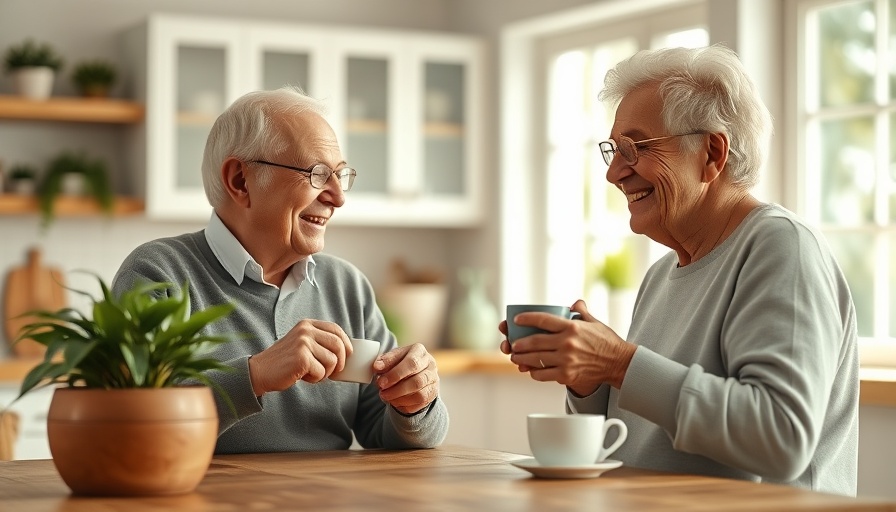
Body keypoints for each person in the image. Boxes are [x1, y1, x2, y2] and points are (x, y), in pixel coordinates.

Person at [499, 45, 859, 496]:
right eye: (613, 150)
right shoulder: (660, 274)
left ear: (711, 152)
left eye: (634, 148)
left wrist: (620, 363)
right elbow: (635, 448)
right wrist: (592, 383)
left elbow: (781, 438)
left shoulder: (781, 246)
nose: (613, 173)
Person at [113, 86, 448, 453]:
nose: (338, 197)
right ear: (240, 181)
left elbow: (383, 432)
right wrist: (254, 375)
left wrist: (415, 403)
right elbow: (128, 425)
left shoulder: (345, 284)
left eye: (341, 175)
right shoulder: (158, 272)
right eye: (317, 174)